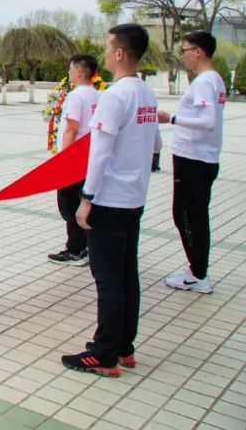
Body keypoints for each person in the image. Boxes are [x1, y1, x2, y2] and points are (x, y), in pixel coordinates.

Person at [62, 24, 159, 377]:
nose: (104, 52)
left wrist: (86, 198)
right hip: (134, 198)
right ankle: (123, 346)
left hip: (110, 199)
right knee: (126, 272)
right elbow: (156, 145)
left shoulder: (115, 97)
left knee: (107, 277)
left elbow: (100, 151)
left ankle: (103, 353)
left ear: (120, 53)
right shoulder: (146, 94)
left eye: (107, 46)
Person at [158, 31, 226, 295]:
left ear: (198, 51)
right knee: (194, 214)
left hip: (194, 159)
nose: (182, 55)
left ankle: (198, 274)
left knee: (186, 215)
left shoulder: (204, 82)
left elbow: (208, 121)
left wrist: (171, 118)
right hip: (201, 158)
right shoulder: (213, 79)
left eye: (184, 50)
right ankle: (197, 270)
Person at [47, 54, 100, 266]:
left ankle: (75, 250)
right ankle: (86, 246)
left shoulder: (76, 97)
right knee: (83, 204)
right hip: (89, 160)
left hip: (74, 161)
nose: (69, 74)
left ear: (79, 72)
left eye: (70, 70)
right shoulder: (98, 95)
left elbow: (70, 130)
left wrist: (64, 163)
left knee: (70, 207)